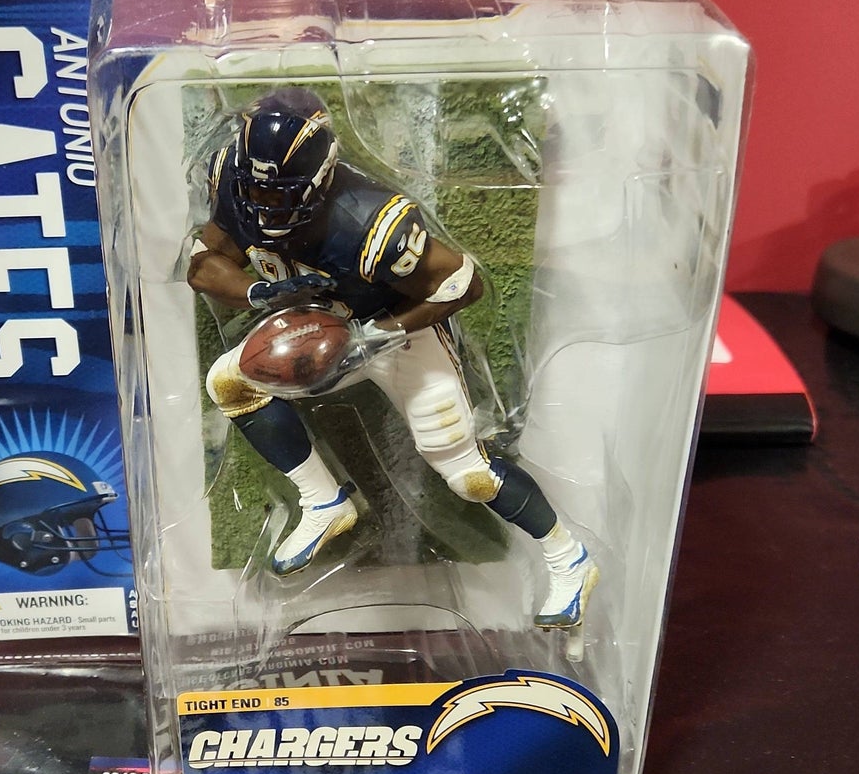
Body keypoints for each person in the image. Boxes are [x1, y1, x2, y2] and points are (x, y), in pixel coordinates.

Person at [186, 88, 596, 633]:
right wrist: (259, 293)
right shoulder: (232, 178)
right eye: (256, 190)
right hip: (315, 328)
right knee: (231, 382)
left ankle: (569, 558)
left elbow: (464, 282)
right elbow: (203, 263)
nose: (265, 205)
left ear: (321, 177)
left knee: (467, 475)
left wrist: (378, 334)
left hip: (394, 333)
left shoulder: (368, 219)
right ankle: (323, 501)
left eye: (281, 192)